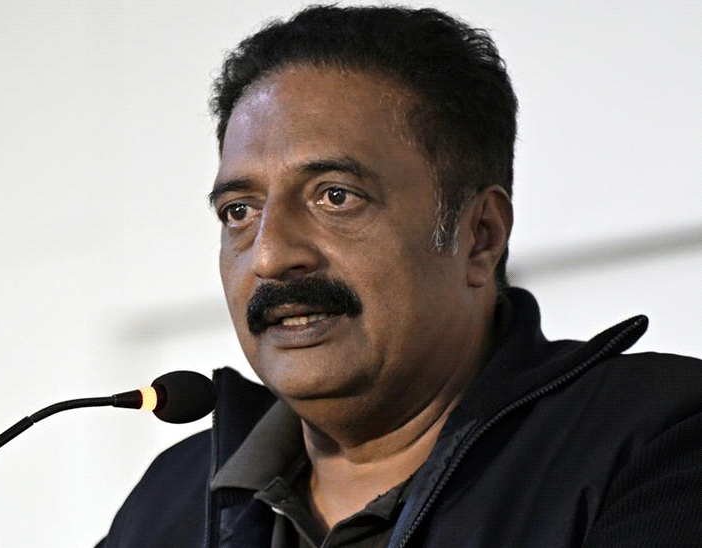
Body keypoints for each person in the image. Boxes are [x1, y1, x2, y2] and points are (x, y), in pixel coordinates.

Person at [97, 5, 702, 547]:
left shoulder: (660, 436)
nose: (271, 255)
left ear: (479, 235)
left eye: (335, 196)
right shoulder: (170, 503)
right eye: (239, 212)